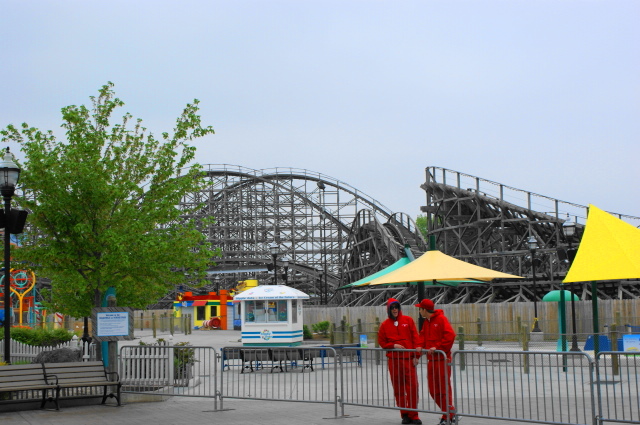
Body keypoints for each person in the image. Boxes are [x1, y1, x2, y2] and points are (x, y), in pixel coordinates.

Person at [378, 298, 422, 425]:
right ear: (389, 310)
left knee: (413, 387)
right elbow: (382, 342)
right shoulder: (384, 325)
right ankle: (405, 414)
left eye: (396, 307)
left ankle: (414, 415)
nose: (395, 309)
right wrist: (393, 345)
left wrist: (416, 356)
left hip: (408, 360)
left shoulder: (408, 320)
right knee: (398, 388)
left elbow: (416, 339)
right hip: (394, 361)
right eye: (392, 308)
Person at [415, 299, 457, 425]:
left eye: (420, 309)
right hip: (432, 360)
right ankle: (450, 413)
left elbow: (450, 335)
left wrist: (438, 348)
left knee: (444, 389)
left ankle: (447, 415)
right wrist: (418, 351)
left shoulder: (441, 319)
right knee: (433, 390)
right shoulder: (426, 322)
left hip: (442, 360)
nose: (419, 311)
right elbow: (422, 337)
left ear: (425, 310)